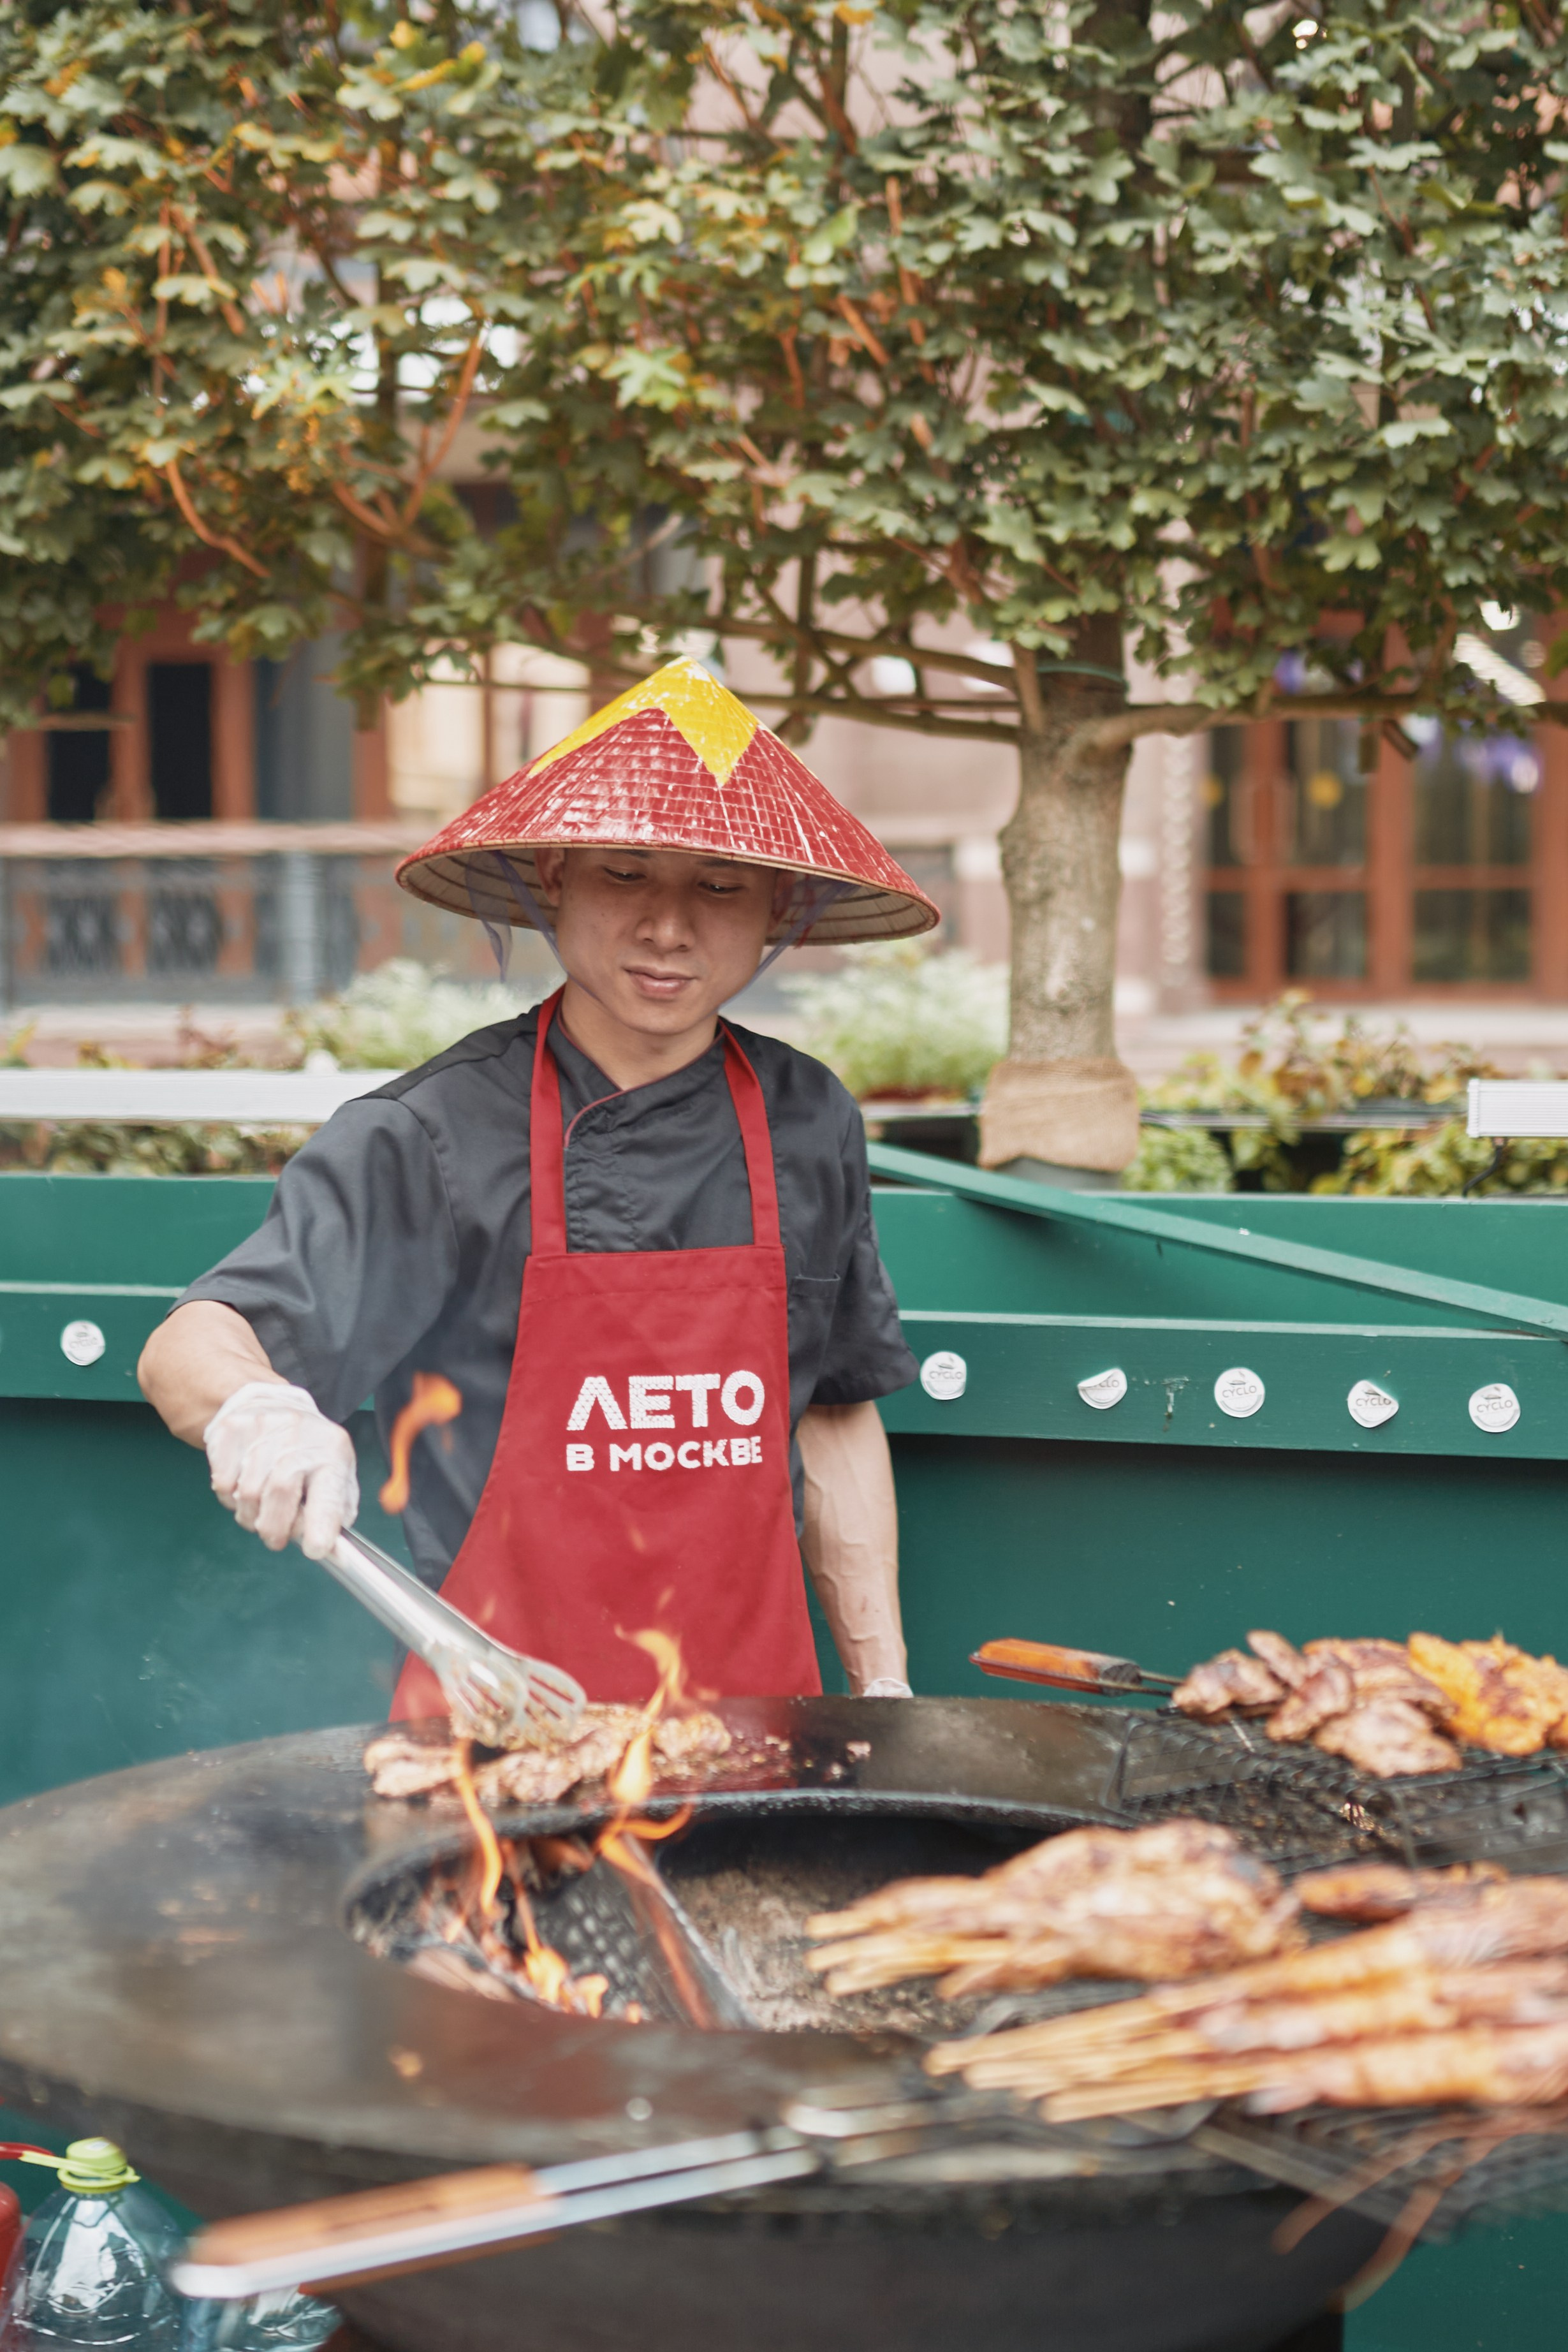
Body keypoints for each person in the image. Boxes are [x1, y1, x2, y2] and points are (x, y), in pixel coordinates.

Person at [138, 659, 939, 1709]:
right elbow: (189, 1342)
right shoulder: (432, 1134)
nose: (667, 925)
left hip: (760, 1739)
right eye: (624, 873)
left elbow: (831, 1410)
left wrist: (882, 1688)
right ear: (554, 877)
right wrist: (258, 1410)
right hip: (500, 1750)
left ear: (778, 905)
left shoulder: (808, 1115)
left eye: (719, 885)